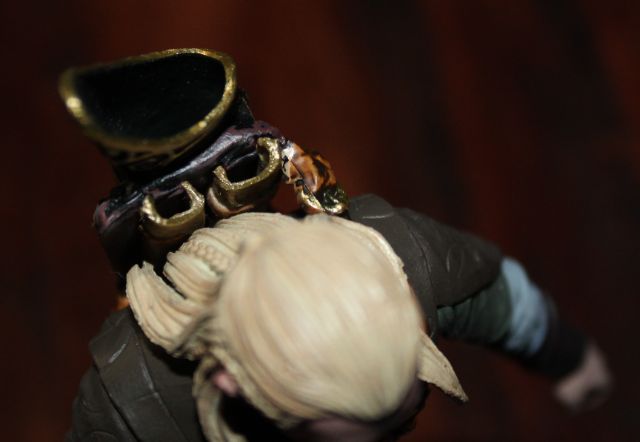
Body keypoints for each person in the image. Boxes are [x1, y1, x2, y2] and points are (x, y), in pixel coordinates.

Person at [62, 49, 612, 442]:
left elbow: (501, 300)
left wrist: (567, 356)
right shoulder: (133, 403)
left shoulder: (410, 257)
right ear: (234, 387)